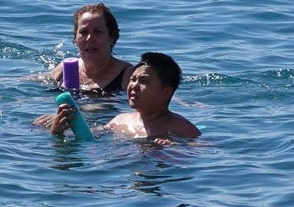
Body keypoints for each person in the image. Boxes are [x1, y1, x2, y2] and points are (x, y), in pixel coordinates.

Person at [48, 51, 201, 141]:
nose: (134, 85)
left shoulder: (180, 127)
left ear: (166, 92)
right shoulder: (120, 120)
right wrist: (59, 132)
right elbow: (89, 140)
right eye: (133, 79)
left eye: (144, 81)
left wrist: (177, 150)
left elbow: (203, 151)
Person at [47, 2, 134, 96]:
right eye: (84, 32)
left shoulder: (127, 75)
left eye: (97, 32)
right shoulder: (65, 69)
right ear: (75, 39)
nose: (89, 38)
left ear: (112, 37)